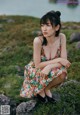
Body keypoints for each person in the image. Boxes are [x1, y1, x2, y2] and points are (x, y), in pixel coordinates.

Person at [20, 10, 71, 103]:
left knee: (63, 73)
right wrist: (59, 59)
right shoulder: (38, 40)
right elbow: (38, 65)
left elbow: (65, 62)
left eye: (48, 25)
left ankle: (46, 88)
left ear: (57, 27)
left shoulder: (62, 37)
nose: (44, 29)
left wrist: (50, 66)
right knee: (43, 69)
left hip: (51, 66)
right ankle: (39, 90)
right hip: (36, 69)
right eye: (42, 25)